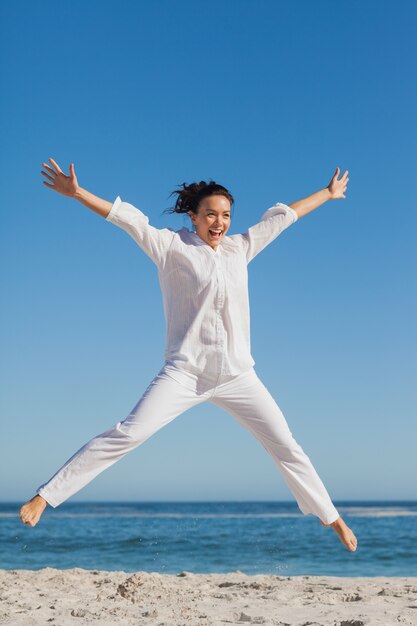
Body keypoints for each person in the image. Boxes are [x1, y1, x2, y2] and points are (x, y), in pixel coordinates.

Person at [19, 158, 357, 552]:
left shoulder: (239, 248)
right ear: (193, 216)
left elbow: (285, 218)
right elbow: (127, 219)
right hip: (185, 372)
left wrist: (328, 194)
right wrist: (77, 193)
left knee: (285, 444)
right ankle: (45, 496)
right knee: (129, 432)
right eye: (211, 214)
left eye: (226, 215)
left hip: (237, 375)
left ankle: (332, 518)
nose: (219, 222)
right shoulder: (170, 246)